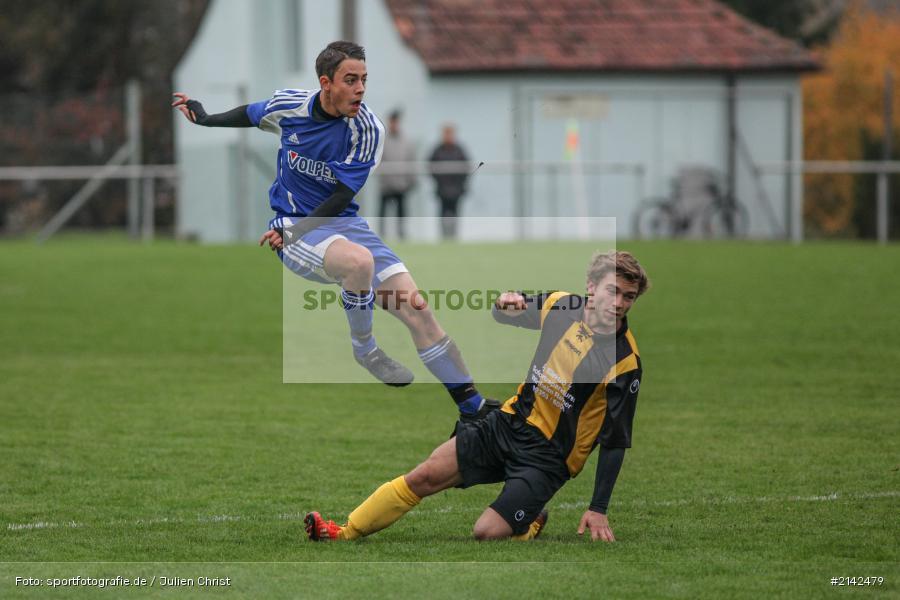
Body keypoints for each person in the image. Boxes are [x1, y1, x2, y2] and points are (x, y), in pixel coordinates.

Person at [172, 41, 495, 419]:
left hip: (341, 221)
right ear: (326, 83)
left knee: (418, 309)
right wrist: (207, 118)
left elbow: (342, 196)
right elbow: (252, 112)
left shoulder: (367, 129)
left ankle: (473, 408)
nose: (360, 89)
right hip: (292, 226)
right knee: (358, 264)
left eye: (364, 80)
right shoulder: (290, 106)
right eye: (350, 80)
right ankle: (366, 349)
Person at [304, 250, 650, 542]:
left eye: (628, 296)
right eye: (612, 291)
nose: (619, 303)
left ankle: (528, 522)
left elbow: (615, 441)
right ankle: (340, 533)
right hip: (507, 423)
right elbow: (505, 314)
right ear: (592, 286)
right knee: (423, 476)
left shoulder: (623, 362)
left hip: (547, 459)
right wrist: (505, 303)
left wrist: (598, 508)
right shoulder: (561, 305)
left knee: (485, 532)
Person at [377, 110, 416, 239]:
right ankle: (381, 235)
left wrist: (411, 181)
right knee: (383, 212)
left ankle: (401, 235)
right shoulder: (383, 140)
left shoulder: (406, 141)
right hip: (386, 185)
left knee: (401, 212)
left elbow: (411, 160)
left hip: (401, 185)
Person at [428, 124, 469, 239]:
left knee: (455, 214)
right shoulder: (437, 150)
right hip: (442, 190)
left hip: (456, 190)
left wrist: (460, 185)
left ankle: (454, 236)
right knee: (442, 214)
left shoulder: (459, 150)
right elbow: (431, 167)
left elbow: (466, 168)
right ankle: (444, 236)